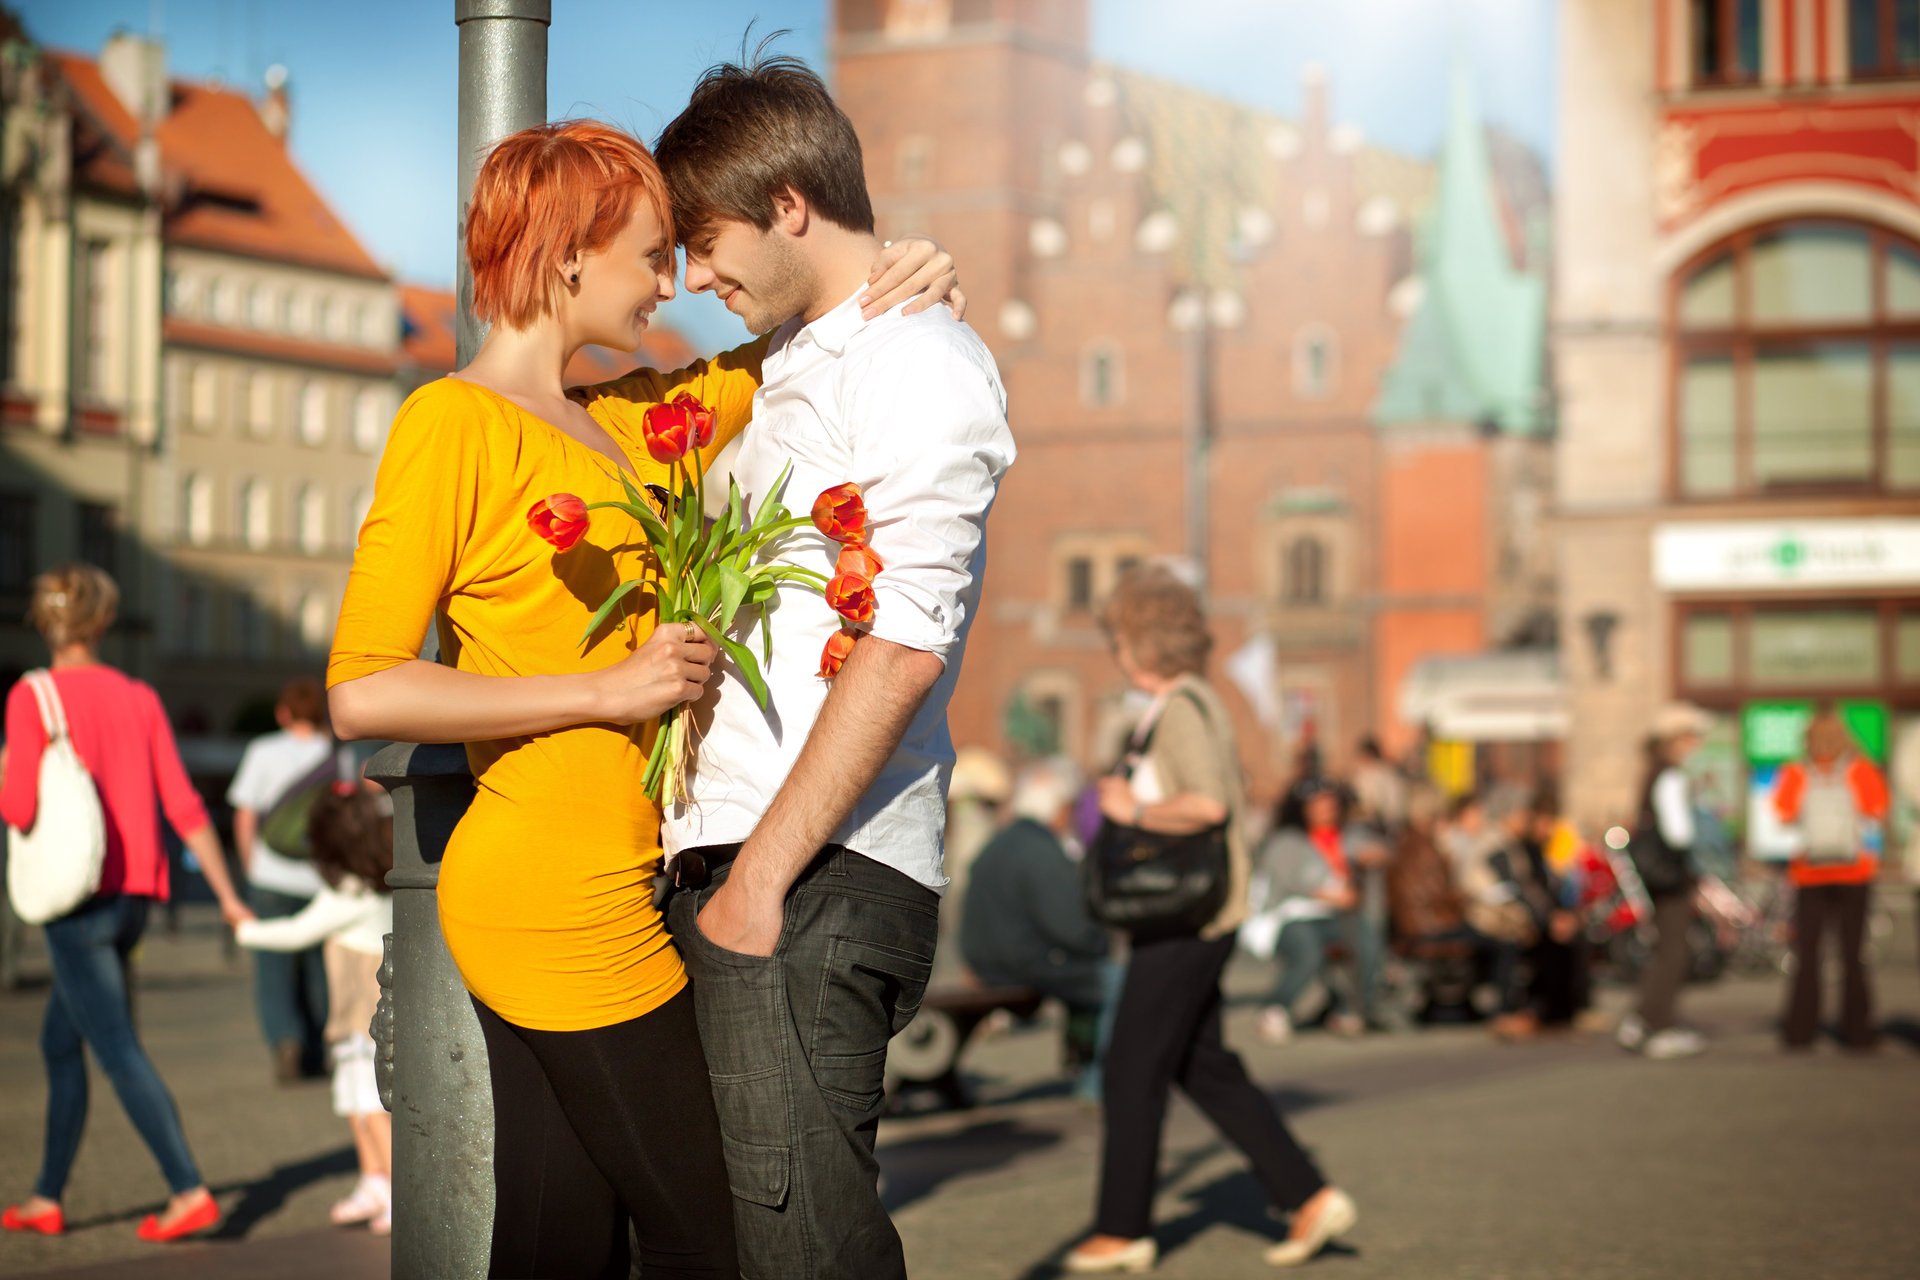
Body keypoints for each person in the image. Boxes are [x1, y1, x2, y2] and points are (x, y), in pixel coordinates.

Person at [325, 116, 960, 1279]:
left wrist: (906, 265)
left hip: (623, 873)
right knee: (705, 1234)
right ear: (569, 254)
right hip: (547, 890)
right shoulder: (450, 423)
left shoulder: (630, 424)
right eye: (651, 253)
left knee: (564, 1236)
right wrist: (609, 686)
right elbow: (363, 690)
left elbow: (811, 321)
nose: (675, 281)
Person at [622, 55, 1010, 1279]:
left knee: (804, 1251)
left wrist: (759, 884)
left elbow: (901, 642)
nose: (693, 277)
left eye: (705, 241)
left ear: (789, 201)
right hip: (751, 867)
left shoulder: (916, 361)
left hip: (811, 876)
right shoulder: (790, 361)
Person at [1066, 565, 1356, 1273]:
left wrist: (1130, 810)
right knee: (1204, 1066)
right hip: (1199, 919)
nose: (1115, 653)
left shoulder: (1183, 707)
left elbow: (1208, 806)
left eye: (1117, 639)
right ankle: (1308, 1196)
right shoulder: (1189, 704)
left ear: (1140, 641)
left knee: (1132, 1068)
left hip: (1186, 920)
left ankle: (1123, 1228)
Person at [0, 565, 251, 1244]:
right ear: (103, 622)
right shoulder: (138, 696)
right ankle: (45, 1196)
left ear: (43, 623)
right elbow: (183, 802)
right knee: (62, 1039)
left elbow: (18, 807)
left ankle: (187, 1189)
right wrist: (229, 895)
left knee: (114, 1046)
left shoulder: (32, 698)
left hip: (74, 898)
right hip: (136, 892)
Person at [237, 778, 396, 1234]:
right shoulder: (378, 883)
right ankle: (373, 1182)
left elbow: (295, 932)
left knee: (368, 1102)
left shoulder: (346, 894)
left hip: (361, 1016)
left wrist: (245, 929)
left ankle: (393, 1192)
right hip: (359, 1016)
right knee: (354, 1098)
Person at [960, 757, 1112, 1075]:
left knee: (1096, 975)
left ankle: (1082, 1059)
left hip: (985, 960)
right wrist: (1102, 940)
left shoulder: (999, 842)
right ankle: (1095, 1081)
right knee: (1114, 980)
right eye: (1068, 806)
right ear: (1056, 808)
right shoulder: (1040, 850)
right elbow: (1072, 927)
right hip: (1023, 966)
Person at [228, 675, 337, 1082]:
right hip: (320, 879)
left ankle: (285, 1042)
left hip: (271, 876)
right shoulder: (333, 753)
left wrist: (249, 864)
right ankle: (321, 1046)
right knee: (318, 968)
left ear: (283, 713)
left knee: (273, 968)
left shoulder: (263, 750)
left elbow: (244, 813)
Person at [1771, 709, 1889, 1051]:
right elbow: (1876, 813)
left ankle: (1800, 1030)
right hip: (1855, 872)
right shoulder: (1861, 770)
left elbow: (1784, 814)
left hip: (1809, 873)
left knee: (1808, 954)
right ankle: (1858, 1032)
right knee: (1852, 954)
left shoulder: (1795, 772)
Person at [1617, 702, 1712, 1061]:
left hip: (1656, 873)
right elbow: (1678, 833)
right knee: (1674, 950)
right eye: (1691, 736)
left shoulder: (1653, 772)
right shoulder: (1671, 776)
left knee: (1667, 948)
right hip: (1669, 874)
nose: (1696, 743)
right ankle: (1657, 1024)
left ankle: (1644, 1020)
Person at [1254, 782, 1365, 1044]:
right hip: (1289, 915)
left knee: (1363, 939)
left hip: (1331, 914)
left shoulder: (1344, 837)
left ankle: (1347, 1006)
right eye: (1318, 807)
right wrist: (1332, 895)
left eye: (1330, 806)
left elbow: (1373, 849)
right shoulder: (1287, 841)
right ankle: (1276, 1008)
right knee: (1309, 951)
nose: (1326, 812)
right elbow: (1290, 881)